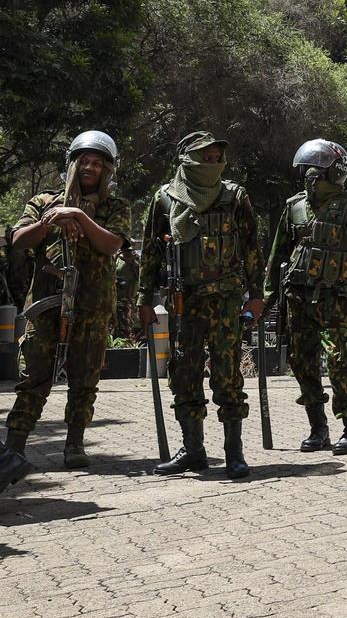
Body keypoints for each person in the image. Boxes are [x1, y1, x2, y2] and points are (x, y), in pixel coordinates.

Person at [137, 132, 264, 479]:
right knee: (184, 374)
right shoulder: (165, 198)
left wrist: (257, 295)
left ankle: (234, 453)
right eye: (203, 157)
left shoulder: (234, 196)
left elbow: (252, 248)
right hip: (183, 301)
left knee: (227, 375)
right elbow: (150, 253)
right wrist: (144, 300)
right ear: (186, 159)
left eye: (216, 157)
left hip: (225, 301)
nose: (212, 163)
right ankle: (193, 451)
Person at [3, 132, 132, 469]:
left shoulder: (115, 207)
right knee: (34, 377)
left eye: (99, 164)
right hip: (47, 304)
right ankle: (14, 447)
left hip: (92, 307)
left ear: (108, 171)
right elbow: (18, 240)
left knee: (85, 380)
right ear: (73, 164)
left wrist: (79, 215)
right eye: (85, 161)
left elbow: (111, 245)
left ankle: (74, 444)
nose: (90, 168)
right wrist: (53, 219)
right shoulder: (44, 201)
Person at [264, 139, 347, 455]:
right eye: (307, 171)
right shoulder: (294, 207)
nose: (309, 177)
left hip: (332, 299)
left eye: (317, 171)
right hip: (297, 299)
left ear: (333, 173)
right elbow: (277, 257)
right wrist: (265, 299)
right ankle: (318, 429)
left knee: (337, 360)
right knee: (301, 362)